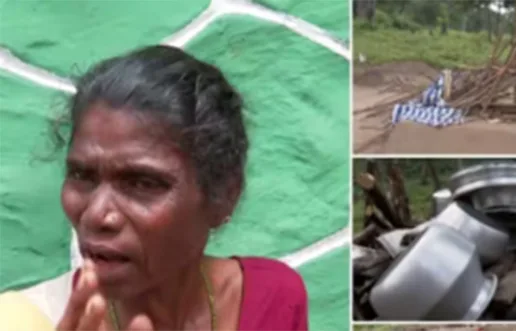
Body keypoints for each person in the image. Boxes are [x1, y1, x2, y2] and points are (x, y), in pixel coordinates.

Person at [10, 45, 308, 330]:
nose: (97, 215)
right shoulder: (21, 321)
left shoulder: (272, 300)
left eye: (142, 183)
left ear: (224, 196)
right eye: (81, 175)